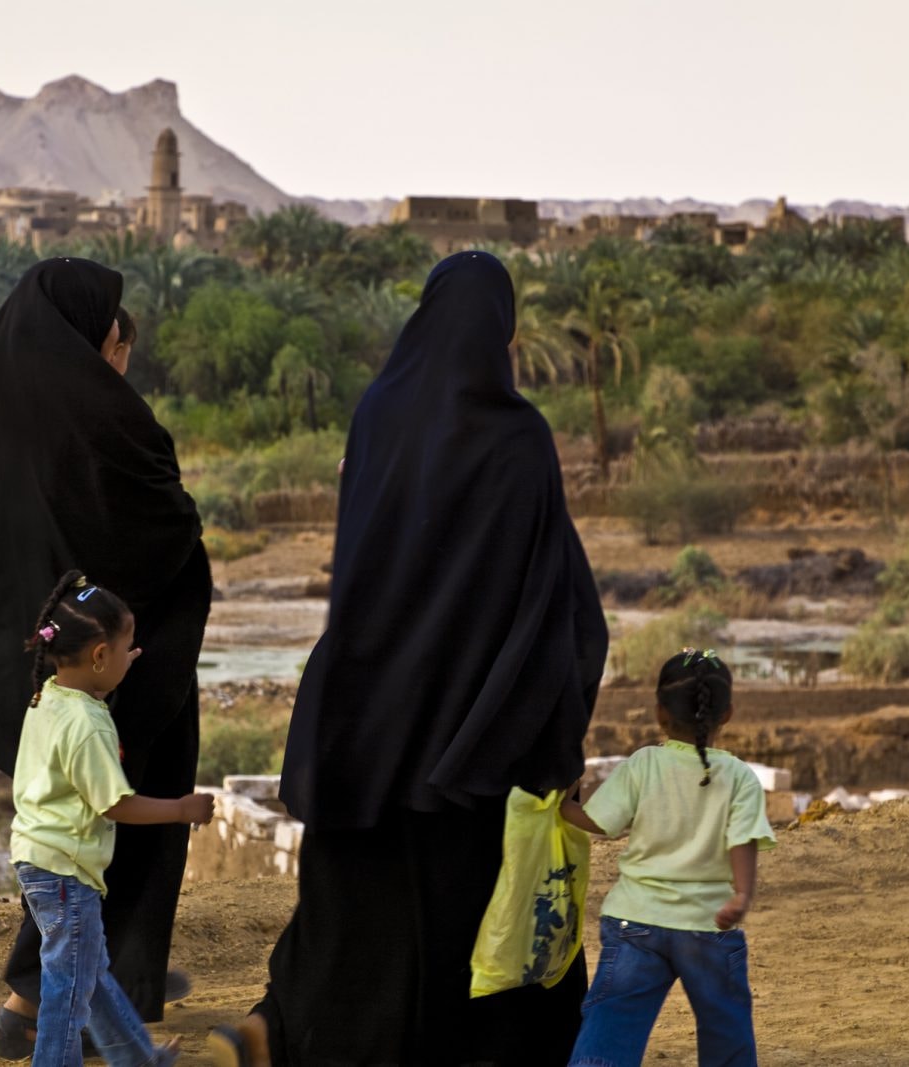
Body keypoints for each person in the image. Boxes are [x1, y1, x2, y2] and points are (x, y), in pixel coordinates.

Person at [209, 250, 609, 1067]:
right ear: (503, 332)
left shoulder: (378, 413)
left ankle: (278, 1029)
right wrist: (555, 734)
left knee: (353, 903)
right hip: (478, 731)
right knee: (475, 922)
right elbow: (550, 592)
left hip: (366, 712)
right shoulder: (520, 436)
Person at [0, 258, 213, 1060]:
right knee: (104, 822)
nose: (119, 362)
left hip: (50, 661)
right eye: (115, 345)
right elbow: (160, 525)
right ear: (89, 340)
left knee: (75, 826)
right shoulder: (100, 422)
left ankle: (102, 986)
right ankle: (37, 1001)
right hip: (105, 668)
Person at [12, 569, 214, 1067]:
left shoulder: (51, 697)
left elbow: (85, 712)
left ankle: (137, 1059)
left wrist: (112, 671)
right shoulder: (87, 727)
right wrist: (181, 809)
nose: (133, 657)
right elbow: (115, 804)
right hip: (66, 875)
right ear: (99, 657)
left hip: (40, 862)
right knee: (69, 990)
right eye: (127, 649)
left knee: (91, 975)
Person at [560, 648, 776, 1067]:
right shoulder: (739, 778)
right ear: (727, 714)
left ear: (659, 713)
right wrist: (742, 896)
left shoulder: (643, 765)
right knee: (725, 1023)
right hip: (708, 925)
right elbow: (743, 840)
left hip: (634, 923)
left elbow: (599, 822)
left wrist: (560, 804)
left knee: (612, 1019)